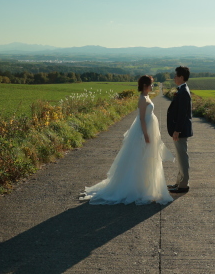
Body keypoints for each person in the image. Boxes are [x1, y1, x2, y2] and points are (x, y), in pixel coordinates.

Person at [81, 75, 174, 205]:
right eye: (151, 84)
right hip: (144, 131)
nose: (152, 86)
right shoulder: (142, 99)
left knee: (147, 158)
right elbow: (141, 118)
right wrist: (146, 135)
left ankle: (146, 186)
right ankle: (138, 187)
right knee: (139, 158)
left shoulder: (147, 97)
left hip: (150, 130)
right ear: (144, 86)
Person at [167, 65, 193, 193]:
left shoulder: (183, 92)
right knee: (180, 156)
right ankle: (179, 182)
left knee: (182, 157)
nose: (174, 78)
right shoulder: (182, 89)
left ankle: (183, 185)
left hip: (181, 131)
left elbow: (182, 114)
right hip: (180, 130)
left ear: (181, 77)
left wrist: (177, 130)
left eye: (176, 76)